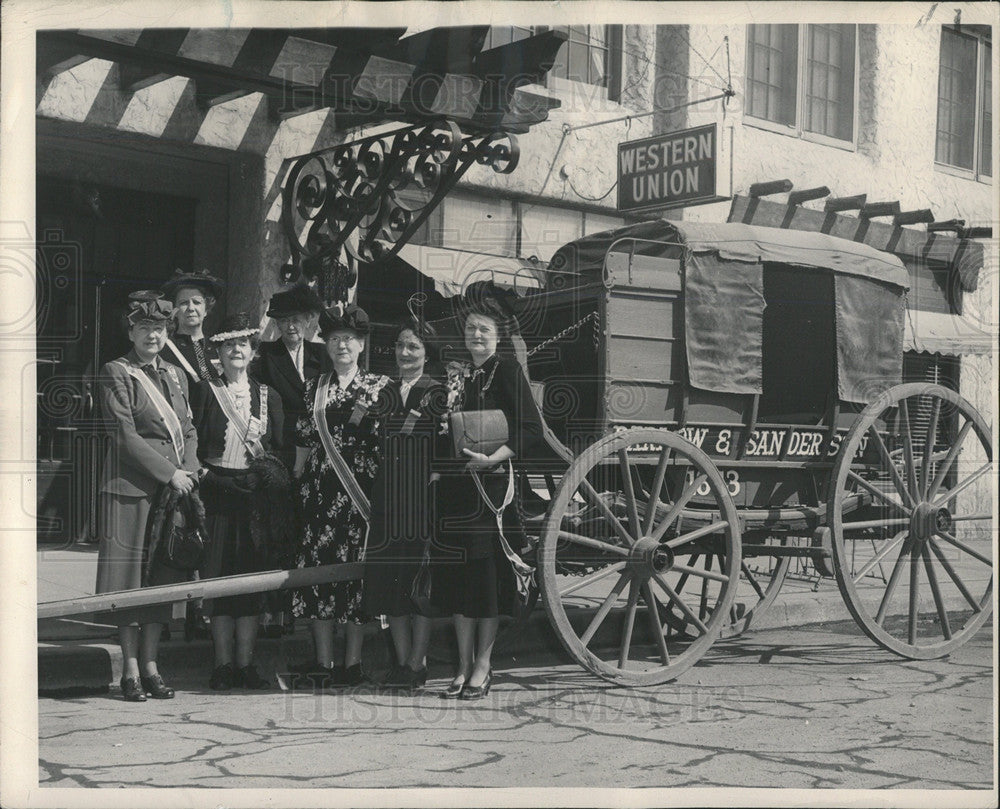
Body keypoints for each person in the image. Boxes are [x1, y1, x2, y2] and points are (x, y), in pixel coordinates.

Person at [433, 292, 544, 700]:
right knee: (458, 583)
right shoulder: (456, 376)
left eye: (484, 329)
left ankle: (483, 665)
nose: (476, 335)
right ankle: (462, 665)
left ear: (498, 336)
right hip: (456, 491)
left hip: (492, 491)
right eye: (471, 329)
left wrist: (494, 456)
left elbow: (531, 429)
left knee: (485, 584)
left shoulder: (508, 372)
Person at [94, 291, 201, 702]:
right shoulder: (116, 372)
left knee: (161, 579)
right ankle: (131, 671)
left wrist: (187, 471)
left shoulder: (175, 375)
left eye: (158, 328)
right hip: (131, 490)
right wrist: (170, 472)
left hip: (171, 490)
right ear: (131, 331)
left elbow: (187, 429)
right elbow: (123, 436)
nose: (152, 335)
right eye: (144, 328)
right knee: (129, 583)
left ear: (167, 332)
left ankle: (154, 665)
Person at [290, 304, 389, 689]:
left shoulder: (380, 387)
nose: (341, 346)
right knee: (320, 579)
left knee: (355, 581)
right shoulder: (312, 387)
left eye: (348, 339)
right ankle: (323, 662)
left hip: (361, 495)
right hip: (319, 493)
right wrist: (296, 480)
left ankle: (351, 664)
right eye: (333, 340)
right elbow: (301, 440)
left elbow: (386, 444)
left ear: (361, 344)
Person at [195, 313, 290, 691]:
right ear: (218, 351)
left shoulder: (269, 396)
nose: (236, 349)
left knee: (250, 588)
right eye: (228, 344)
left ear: (252, 352)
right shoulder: (205, 391)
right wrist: (214, 480)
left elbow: (281, 449)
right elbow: (192, 447)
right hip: (218, 495)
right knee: (219, 586)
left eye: (243, 344)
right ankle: (222, 666)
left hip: (254, 500)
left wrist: (264, 477)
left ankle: (246, 664)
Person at [361, 318, 447, 691]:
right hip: (386, 497)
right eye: (400, 345)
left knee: (417, 585)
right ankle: (400, 662)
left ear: (426, 353)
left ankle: (417, 663)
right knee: (388, 585)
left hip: (419, 500)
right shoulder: (384, 390)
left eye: (413, 347)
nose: (405, 353)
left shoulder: (438, 392)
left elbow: (446, 448)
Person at [249, 282, 327, 637]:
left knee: (310, 531)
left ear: (309, 322)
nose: (290, 327)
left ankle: (303, 609)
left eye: (296, 320)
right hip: (282, 453)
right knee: (277, 531)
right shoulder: (265, 357)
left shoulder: (323, 356)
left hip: (319, 453)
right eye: (283, 322)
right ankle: (274, 612)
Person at [160, 268, 225, 641]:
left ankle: (200, 611)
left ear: (208, 307)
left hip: (214, 456)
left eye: (196, 302)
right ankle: (168, 615)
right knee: (174, 533)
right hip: (179, 454)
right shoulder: (167, 348)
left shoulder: (219, 348)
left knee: (204, 535)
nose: (190, 309)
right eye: (183, 303)